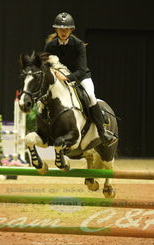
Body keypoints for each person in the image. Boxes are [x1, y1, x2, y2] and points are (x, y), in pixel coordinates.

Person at [44, 12, 117, 147]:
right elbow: (45, 65)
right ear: (56, 30)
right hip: (59, 79)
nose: (63, 32)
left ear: (71, 30)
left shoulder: (78, 45)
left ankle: (102, 132)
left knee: (90, 95)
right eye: (60, 29)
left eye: (66, 29)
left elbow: (82, 70)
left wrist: (67, 77)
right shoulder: (50, 46)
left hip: (80, 77)